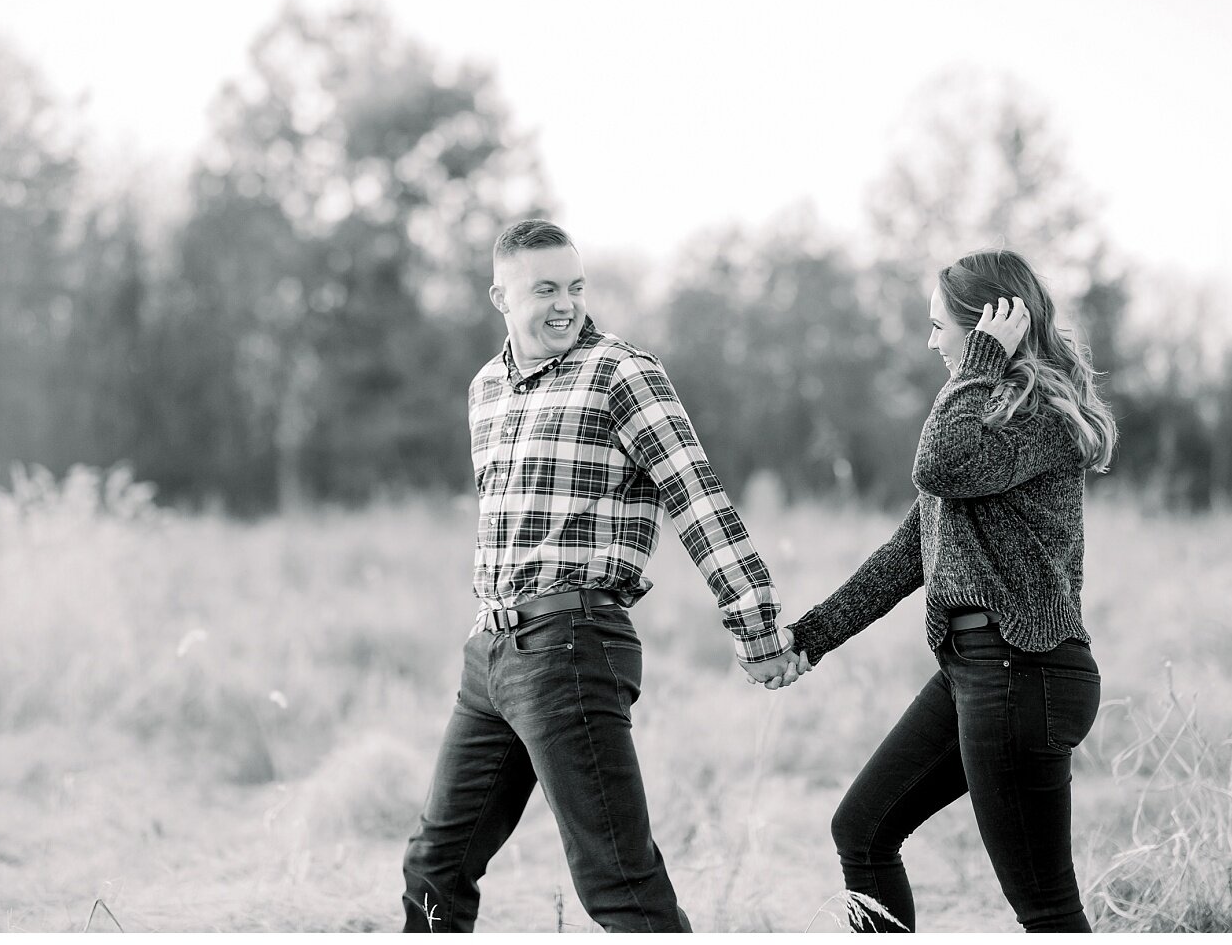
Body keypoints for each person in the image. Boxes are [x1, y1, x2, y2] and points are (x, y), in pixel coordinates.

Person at [401, 218, 805, 933]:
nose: (566, 304)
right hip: (491, 653)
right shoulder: (486, 388)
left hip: (571, 643)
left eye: (576, 287)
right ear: (501, 295)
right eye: (545, 288)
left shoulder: (621, 372)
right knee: (435, 869)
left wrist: (757, 625)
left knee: (617, 882)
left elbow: (696, 497)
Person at [779, 248, 1118, 933]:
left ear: (989, 325)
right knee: (863, 832)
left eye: (940, 326)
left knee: (1049, 912)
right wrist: (806, 639)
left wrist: (978, 366)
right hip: (980, 673)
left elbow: (937, 464)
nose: (932, 342)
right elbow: (909, 553)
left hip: (1023, 674)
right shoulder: (987, 420)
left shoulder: (1038, 418)